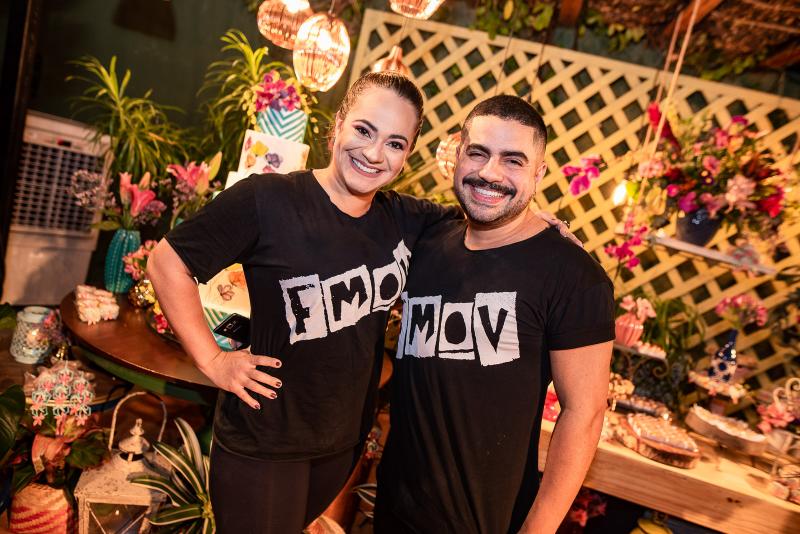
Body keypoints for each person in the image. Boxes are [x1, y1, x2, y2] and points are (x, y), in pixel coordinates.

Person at [147, 73, 569, 532]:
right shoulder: (268, 200)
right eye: (364, 130)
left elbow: (487, 210)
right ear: (338, 125)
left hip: (339, 446)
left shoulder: (407, 218)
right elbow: (167, 264)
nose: (373, 153)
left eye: (394, 143)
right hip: (266, 442)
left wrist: (533, 220)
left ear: (407, 155)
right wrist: (212, 360)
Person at [374, 95, 614, 534]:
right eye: (478, 153)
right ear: (458, 155)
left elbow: (585, 413)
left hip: (486, 522)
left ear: (538, 173)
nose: (490, 173)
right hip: (394, 510)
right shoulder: (427, 241)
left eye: (513, 160)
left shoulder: (574, 275)